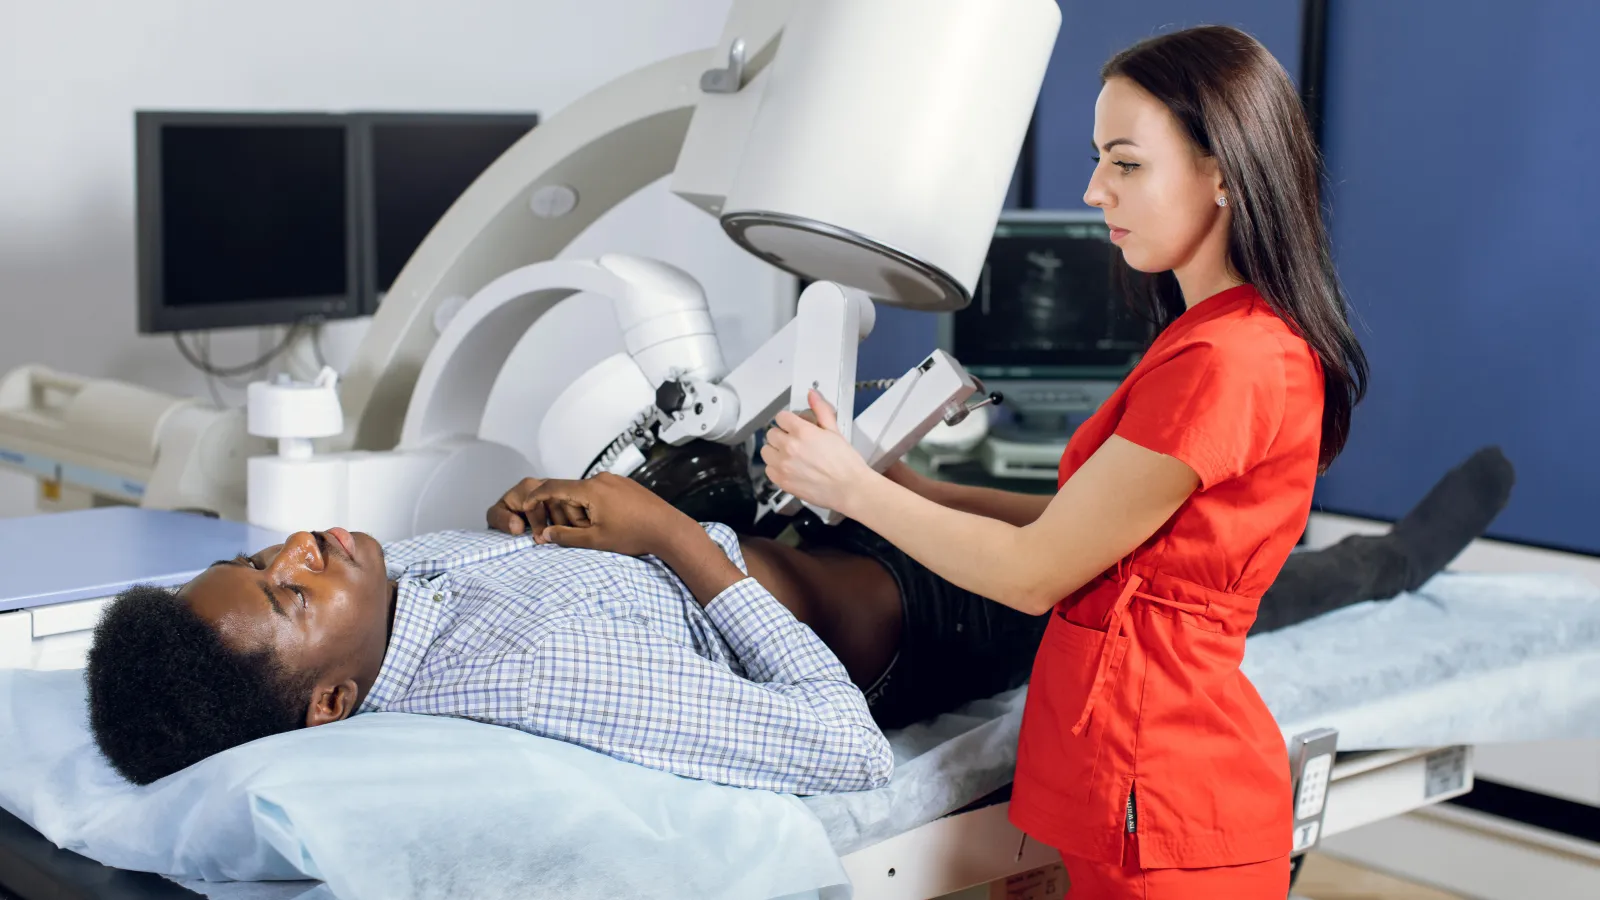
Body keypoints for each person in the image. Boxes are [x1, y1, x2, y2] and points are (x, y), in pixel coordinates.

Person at [744, 23, 1381, 898]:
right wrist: (916, 490)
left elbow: (1036, 574)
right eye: (1096, 161)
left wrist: (848, 484)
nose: (1093, 190)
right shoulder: (1210, 338)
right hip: (1128, 789)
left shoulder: (1230, 361)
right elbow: (1085, 531)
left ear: (1224, 171)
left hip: (1167, 802)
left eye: (1125, 163)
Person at [84, 446, 1511, 793]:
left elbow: (622, 560)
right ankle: (1370, 568)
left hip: (806, 531)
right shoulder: (523, 684)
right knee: (1178, 581)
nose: (308, 543)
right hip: (923, 612)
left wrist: (614, 501)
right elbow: (839, 748)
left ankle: (1236, 497)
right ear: (327, 703)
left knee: (1071, 486)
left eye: (271, 551)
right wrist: (661, 540)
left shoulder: (411, 605)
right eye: (289, 590)